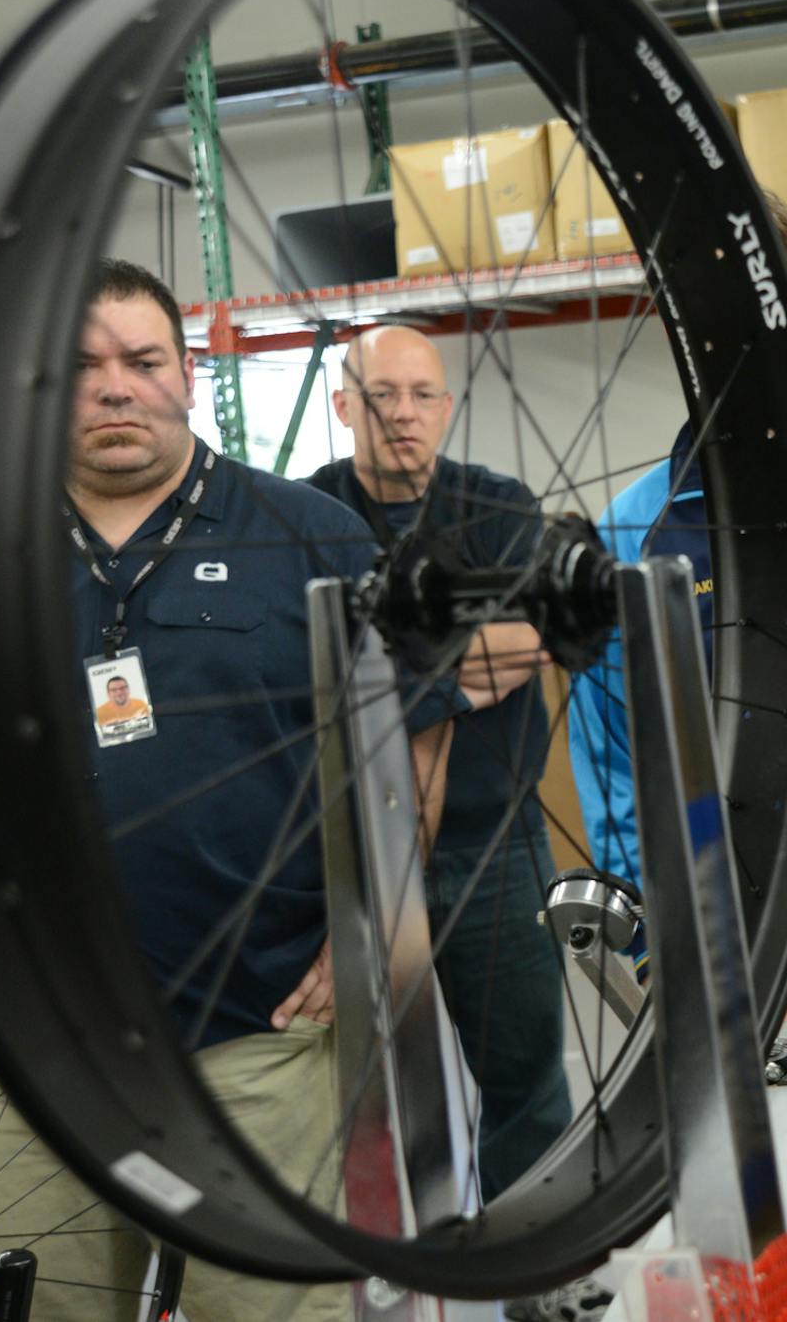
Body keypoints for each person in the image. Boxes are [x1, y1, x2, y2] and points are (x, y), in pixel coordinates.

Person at [0, 258, 451, 1321]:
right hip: (13, 1060)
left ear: (187, 371)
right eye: (79, 366)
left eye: (142, 360)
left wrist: (369, 922)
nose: (115, 386)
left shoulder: (314, 536)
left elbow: (413, 746)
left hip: (263, 1047)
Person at [567, 189, 787, 890]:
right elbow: (618, 754)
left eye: (754, 295)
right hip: (743, 904)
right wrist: (657, 920)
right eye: (696, 308)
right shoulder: (636, 529)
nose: (730, 329)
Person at [304, 323, 570, 1205]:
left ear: (448, 407)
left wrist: (379, 664)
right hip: (350, 852)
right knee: (356, 1096)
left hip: (497, 844)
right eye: (383, 396)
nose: (405, 415)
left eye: (424, 395)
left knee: (526, 1088)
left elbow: (526, 643)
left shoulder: (498, 506)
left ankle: (533, 1273)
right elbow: (302, 679)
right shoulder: (305, 515)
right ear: (345, 407)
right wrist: (449, 655)